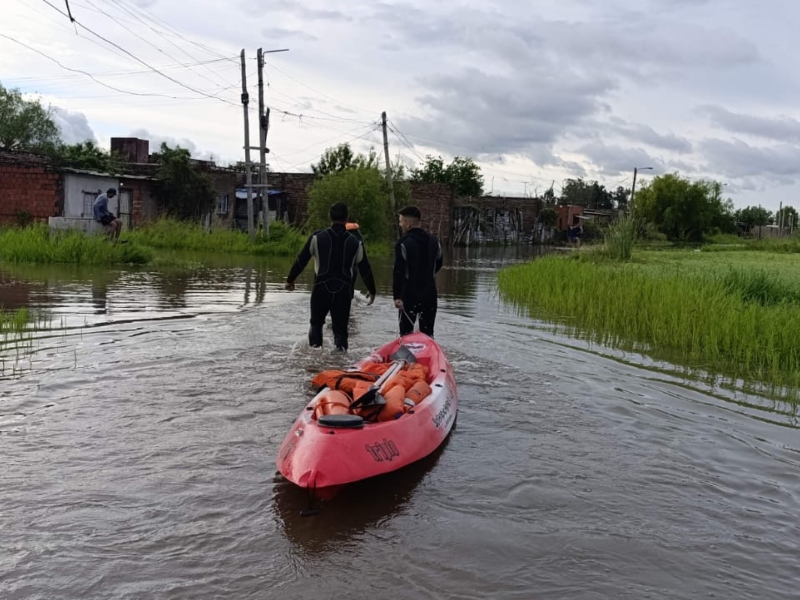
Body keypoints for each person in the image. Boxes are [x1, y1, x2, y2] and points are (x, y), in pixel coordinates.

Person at [285, 202, 376, 351]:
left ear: (330, 217)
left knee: (316, 324)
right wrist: (372, 291)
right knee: (340, 332)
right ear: (347, 218)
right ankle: (340, 364)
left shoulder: (316, 237)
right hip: (344, 291)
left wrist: (290, 280)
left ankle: (314, 359)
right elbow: (365, 268)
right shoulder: (355, 242)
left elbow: (301, 260)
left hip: (321, 288)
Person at [393, 205, 443, 337]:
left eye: (401, 221)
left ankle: (407, 357)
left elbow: (399, 271)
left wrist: (397, 296)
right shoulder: (434, 241)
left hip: (409, 294)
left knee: (406, 334)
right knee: (428, 333)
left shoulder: (402, 243)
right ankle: (428, 356)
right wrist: (426, 274)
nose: (400, 224)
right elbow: (439, 263)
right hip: (429, 293)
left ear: (408, 224)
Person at [345, 221, 372, 299]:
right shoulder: (358, 239)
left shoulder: (343, 238)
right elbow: (365, 266)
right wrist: (371, 288)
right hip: (353, 269)